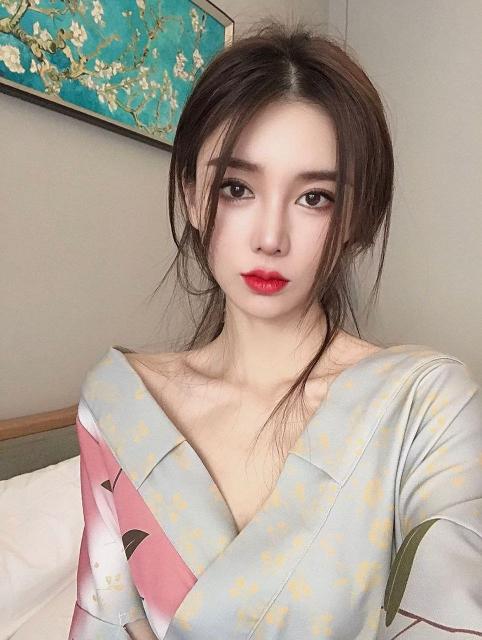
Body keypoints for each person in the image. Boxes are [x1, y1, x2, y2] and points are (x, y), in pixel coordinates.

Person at [68, 17, 482, 640]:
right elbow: (107, 618)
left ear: (355, 217)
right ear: (191, 195)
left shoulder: (426, 406)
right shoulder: (117, 407)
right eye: (237, 188)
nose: (270, 237)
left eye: (315, 197)